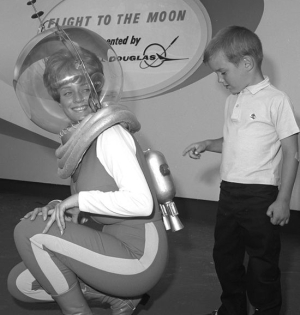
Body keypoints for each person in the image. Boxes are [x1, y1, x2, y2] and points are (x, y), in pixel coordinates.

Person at [8, 46, 169, 315]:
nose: (79, 98)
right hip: (115, 247)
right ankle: (119, 299)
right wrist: (58, 207)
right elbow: (98, 198)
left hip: (140, 256)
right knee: (22, 282)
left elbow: (141, 203)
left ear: (98, 88)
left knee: (27, 232)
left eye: (86, 88)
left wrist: (78, 199)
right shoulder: (83, 139)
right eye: (68, 92)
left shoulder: (110, 134)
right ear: (57, 98)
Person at [183, 26, 299, 315]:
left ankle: (267, 310)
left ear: (247, 63)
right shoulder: (232, 100)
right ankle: (231, 309)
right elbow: (235, 142)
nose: (220, 80)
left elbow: (291, 152)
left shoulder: (276, 101)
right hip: (229, 192)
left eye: (223, 72)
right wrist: (209, 143)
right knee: (225, 257)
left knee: (262, 263)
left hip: (260, 196)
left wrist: (283, 199)